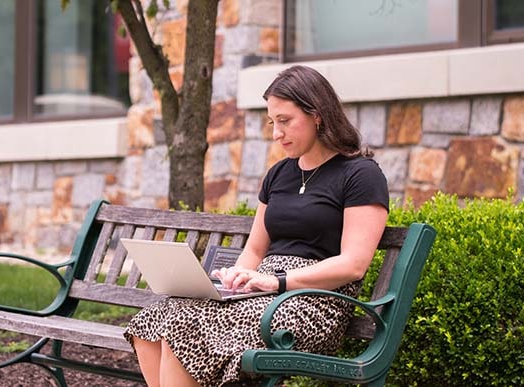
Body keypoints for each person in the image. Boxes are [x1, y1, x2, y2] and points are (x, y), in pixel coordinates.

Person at [124, 65, 389, 387]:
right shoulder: (279, 174)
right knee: (158, 316)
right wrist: (237, 278)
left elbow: (353, 265)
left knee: (184, 325)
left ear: (317, 115)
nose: (276, 133)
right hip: (260, 292)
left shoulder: (360, 174)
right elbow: (255, 249)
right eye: (272, 122)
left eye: (285, 121)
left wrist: (275, 282)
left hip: (314, 301)